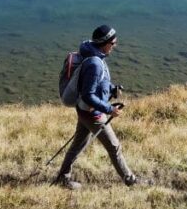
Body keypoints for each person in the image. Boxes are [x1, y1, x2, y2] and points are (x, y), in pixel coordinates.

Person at [55, 25, 141, 189]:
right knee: (114, 147)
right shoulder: (95, 63)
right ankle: (131, 181)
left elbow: (94, 84)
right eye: (113, 42)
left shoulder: (93, 54)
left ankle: (62, 178)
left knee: (78, 145)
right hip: (92, 113)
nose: (115, 45)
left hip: (83, 110)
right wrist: (109, 109)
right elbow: (88, 95)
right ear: (104, 43)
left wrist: (111, 88)